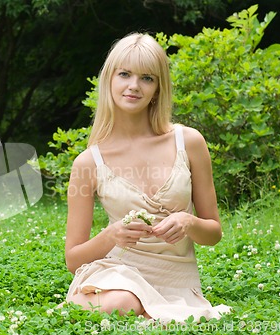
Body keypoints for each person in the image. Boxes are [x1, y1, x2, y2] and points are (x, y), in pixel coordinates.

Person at [63, 32, 230, 323]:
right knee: (122, 301)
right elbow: (73, 259)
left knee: (126, 305)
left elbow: (213, 233)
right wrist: (110, 235)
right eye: (125, 74)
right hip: (118, 274)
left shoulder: (188, 142)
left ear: (158, 87)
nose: (134, 86)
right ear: (109, 80)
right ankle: (105, 303)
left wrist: (188, 222)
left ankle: (149, 310)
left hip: (177, 279)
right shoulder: (89, 162)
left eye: (147, 78)